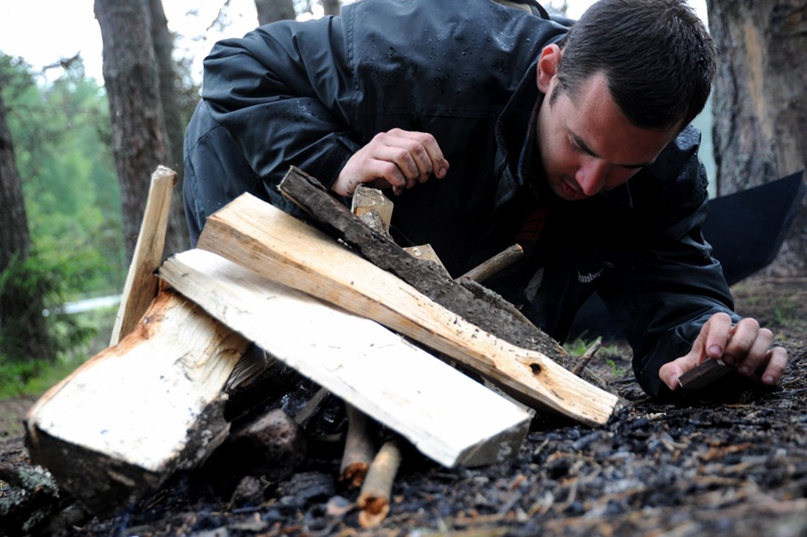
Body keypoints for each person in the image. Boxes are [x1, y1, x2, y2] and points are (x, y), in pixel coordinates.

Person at [183, 0, 788, 399]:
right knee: (257, 376)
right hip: (248, 164)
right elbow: (239, 66)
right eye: (579, 144)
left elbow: (676, 300)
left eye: (625, 165)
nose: (589, 182)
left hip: (447, 220)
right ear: (549, 71)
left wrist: (710, 345)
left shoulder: (664, 173)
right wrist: (333, 163)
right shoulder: (426, 53)